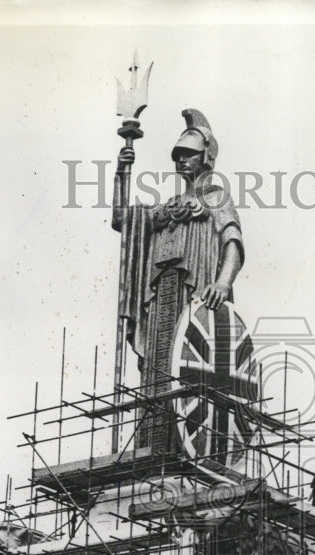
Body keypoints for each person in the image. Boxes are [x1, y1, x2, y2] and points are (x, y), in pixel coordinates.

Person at [112, 108, 244, 385]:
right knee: (159, 364)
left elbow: (232, 241)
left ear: (206, 156)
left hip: (197, 292)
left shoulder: (216, 198)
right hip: (161, 296)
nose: (181, 160)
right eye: (177, 155)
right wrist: (122, 173)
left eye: (189, 154)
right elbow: (122, 219)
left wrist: (222, 283)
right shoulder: (166, 207)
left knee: (190, 361)